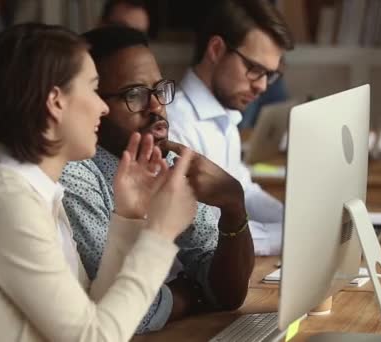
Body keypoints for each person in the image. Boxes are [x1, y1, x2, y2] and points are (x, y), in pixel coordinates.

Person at [0, 23, 199, 342]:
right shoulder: (4, 201)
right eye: (93, 89)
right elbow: (93, 337)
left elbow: (94, 313)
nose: (102, 107)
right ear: (55, 102)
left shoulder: (32, 193)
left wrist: (130, 215)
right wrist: (160, 234)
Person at [61, 26, 254, 333]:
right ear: (94, 104)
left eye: (159, 90)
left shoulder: (165, 159)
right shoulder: (74, 174)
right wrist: (194, 295)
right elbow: (132, 311)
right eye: (134, 95)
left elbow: (228, 293)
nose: (156, 107)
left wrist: (233, 206)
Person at [167, 0, 294, 256]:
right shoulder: (174, 124)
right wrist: (288, 236)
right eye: (255, 69)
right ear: (216, 49)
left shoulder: (225, 114)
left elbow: (244, 190)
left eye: (269, 74)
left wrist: (293, 220)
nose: (262, 86)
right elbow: (200, 233)